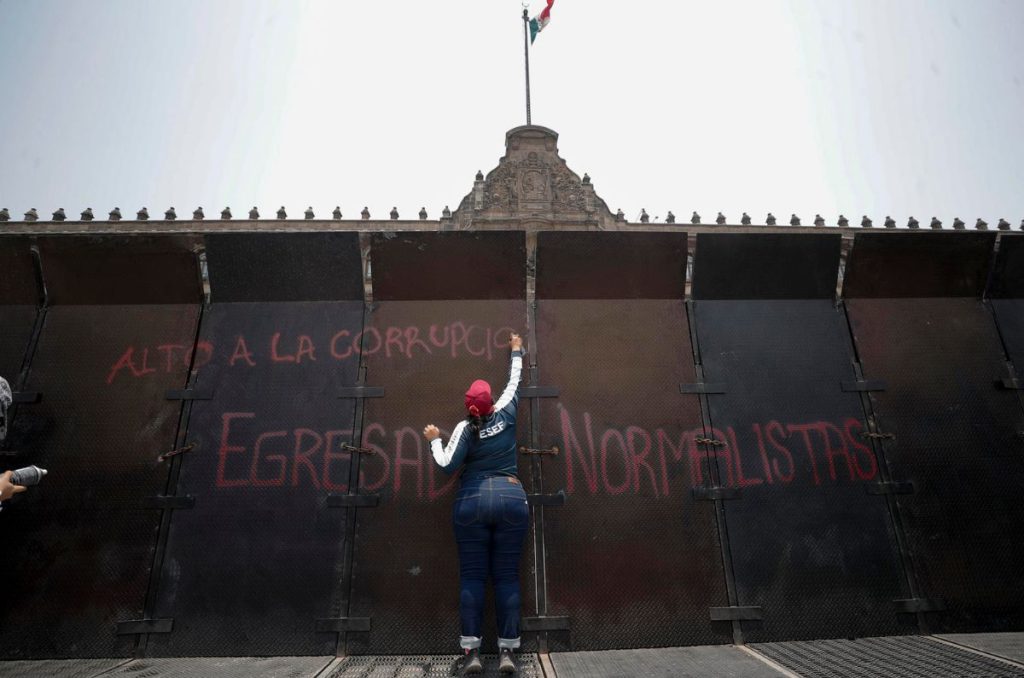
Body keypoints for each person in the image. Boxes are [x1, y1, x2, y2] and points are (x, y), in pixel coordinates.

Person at [423, 332, 527, 675]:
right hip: (511, 498)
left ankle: (472, 654)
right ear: (491, 401)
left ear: (469, 406)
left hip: (472, 502)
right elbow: (515, 378)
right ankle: (509, 654)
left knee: (472, 577)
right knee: (507, 577)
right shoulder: (507, 410)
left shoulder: (465, 428)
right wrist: (516, 349)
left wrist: (435, 440)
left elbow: (446, 466)